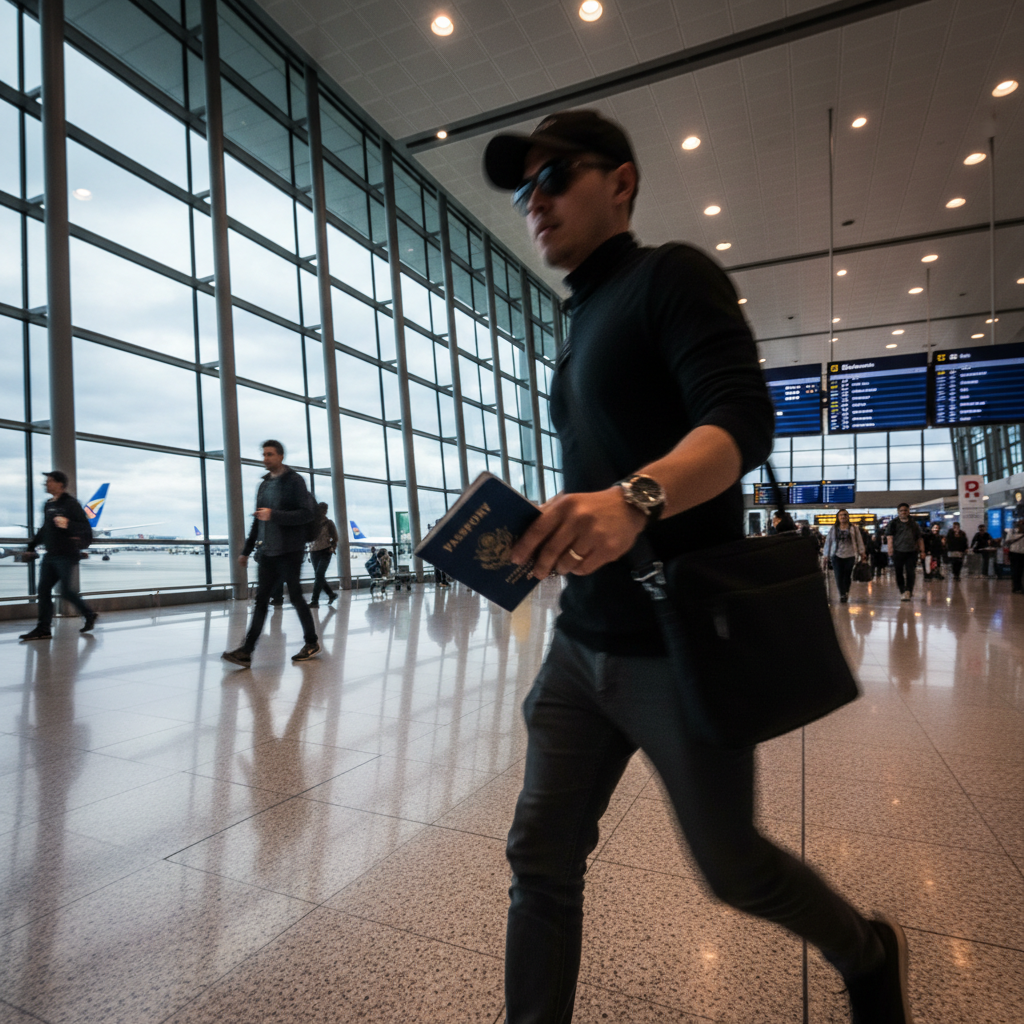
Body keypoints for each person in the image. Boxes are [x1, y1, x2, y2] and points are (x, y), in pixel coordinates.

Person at [483, 108, 913, 1024]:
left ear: (622, 182)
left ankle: (866, 949)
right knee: (540, 858)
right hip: (579, 647)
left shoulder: (671, 277)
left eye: (555, 178)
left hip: (676, 651)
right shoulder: (580, 317)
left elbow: (741, 425)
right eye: (524, 191)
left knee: (733, 868)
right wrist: (558, 527)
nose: (536, 202)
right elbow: (603, 481)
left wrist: (634, 500)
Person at [222, 441, 320, 666]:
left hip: (290, 551)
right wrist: (246, 551)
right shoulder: (264, 485)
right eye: (264, 454)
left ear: (281, 456)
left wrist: (274, 515)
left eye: (270, 454)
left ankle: (311, 642)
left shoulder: (295, 482)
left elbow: (306, 514)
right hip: (267, 552)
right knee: (261, 602)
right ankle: (246, 651)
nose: (265, 458)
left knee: (295, 598)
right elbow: (258, 521)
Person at [19, 471, 97, 641]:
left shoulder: (71, 504)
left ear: (60, 484)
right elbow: (45, 529)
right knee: (43, 590)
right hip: (50, 555)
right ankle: (43, 629)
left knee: (66, 591)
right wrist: (31, 546)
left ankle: (89, 614)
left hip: (66, 554)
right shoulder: (48, 505)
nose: (46, 484)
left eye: (49, 481)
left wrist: (68, 523)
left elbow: (85, 528)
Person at [823, 508, 867, 603]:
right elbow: (828, 542)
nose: (843, 517)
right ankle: (842, 594)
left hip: (850, 555)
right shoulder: (833, 529)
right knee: (838, 575)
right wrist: (826, 555)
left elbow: (859, 541)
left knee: (847, 575)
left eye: (845, 515)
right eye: (841, 515)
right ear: (838, 517)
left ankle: (846, 591)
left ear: (848, 517)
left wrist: (862, 552)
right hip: (836, 555)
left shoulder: (853, 528)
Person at [886, 503, 924, 602]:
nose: (903, 512)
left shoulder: (913, 524)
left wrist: (922, 551)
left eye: (905, 510)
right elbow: (889, 537)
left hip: (911, 551)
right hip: (898, 551)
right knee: (899, 572)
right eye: (901, 510)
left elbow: (919, 538)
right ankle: (902, 590)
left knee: (910, 572)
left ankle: (909, 590)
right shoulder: (893, 523)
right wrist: (890, 549)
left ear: (908, 511)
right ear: (898, 512)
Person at [308, 501, 339, 608]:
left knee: (319, 575)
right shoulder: (312, 523)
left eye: (324, 510)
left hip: (325, 551)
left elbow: (335, 538)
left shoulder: (329, 523)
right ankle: (331, 594)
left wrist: (332, 547)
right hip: (314, 552)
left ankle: (314, 601)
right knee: (319, 576)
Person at [1005, 510, 1024, 594]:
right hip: (1015, 553)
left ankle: (1020, 587)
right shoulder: (1012, 532)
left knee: (1020, 571)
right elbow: (1007, 541)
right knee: (1016, 571)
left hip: (1022, 553)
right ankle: (1016, 587)